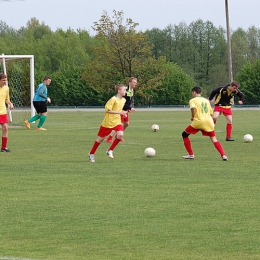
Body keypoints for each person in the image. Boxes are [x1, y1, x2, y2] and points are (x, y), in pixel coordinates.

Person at [182, 86, 228, 161]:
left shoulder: (192, 100)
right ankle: (223, 155)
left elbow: (193, 109)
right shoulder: (206, 101)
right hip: (208, 121)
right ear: (201, 92)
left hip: (198, 121)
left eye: (192, 93)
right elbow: (211, 113)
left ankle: (191, 154)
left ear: (194, 92)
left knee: (184, 134)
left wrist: (192, 116)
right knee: (214, 139)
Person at [88, 84, 127, 163]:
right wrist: (119, 112)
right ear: (119, 91)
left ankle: (110, 150)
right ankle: (91, 154)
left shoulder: (123, 100)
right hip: (108, 122)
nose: (125, 91)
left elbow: (118, 110)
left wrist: (122, 112)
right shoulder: (113, 99)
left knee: (120, 134)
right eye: (124, 90)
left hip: (117, 121)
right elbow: (107, 110)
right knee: (101, 139)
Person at [106, 77, 137, 143]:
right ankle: (109, 138)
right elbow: (121, 102)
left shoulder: (131, 90)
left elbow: (128, 101)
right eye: (134, 82)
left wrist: (128, 108)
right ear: (130, 82)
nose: (135, 84)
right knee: (120, 124)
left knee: (126, 123)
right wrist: (129, 108)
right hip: (120, 110)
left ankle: (118, 136)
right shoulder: (125, 90)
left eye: (136, 82)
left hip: (125, 109)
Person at [0, 73, 14, 152]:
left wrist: (10, 104)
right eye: (3, 80)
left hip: (3, 112)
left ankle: (4, 147)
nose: (5, 82)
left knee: (5, 128)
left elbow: (6, 99)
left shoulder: (6, 88)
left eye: (5, 80)